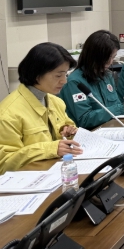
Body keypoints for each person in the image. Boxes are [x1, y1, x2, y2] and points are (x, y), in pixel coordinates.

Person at [0, 43, 83, 174]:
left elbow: (64, 129)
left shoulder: (56, 102)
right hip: (28, 180)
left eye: (66, 74)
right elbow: (4, 163)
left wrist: (69, 131)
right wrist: (50, 149)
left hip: (56, 171)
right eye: (58, 75)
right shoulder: (8, 114)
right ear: (37, 74)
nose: (64, 81)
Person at [59, 30, 124, 129]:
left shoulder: (107, 75)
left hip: (112, 127)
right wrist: (119, 109)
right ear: (93, 56)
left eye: (113, 57)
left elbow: (116, 105)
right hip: (91, 133)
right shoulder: (75, 82)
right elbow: (84, 119)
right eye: (107, 58)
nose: (110, 62)